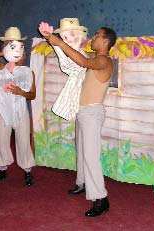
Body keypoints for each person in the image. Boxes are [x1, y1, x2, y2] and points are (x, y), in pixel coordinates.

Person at [40, 23, 117, 217]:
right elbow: (73, 61)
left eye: (97, 35)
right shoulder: (95, 59)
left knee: (91, 156)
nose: (92, 38)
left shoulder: (105, 61)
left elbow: (82, 62)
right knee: (82, 152)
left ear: (105, 40)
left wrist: (58, 41)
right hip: (83, 112)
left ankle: (101, 198)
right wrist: (56, 43)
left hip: (92, 113)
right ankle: (82, 183)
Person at [0, 27, 36, 186]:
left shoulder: (28, 72)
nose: (21, 54)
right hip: (4, 112)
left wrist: (21, 92)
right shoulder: (2, 68)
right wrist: (5, 50)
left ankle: (27, 171)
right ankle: (2, 169)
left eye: (23, 50)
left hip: (21, 111)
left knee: (23, 140)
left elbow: (33, 95)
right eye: (16, 48)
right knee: (1, 140)